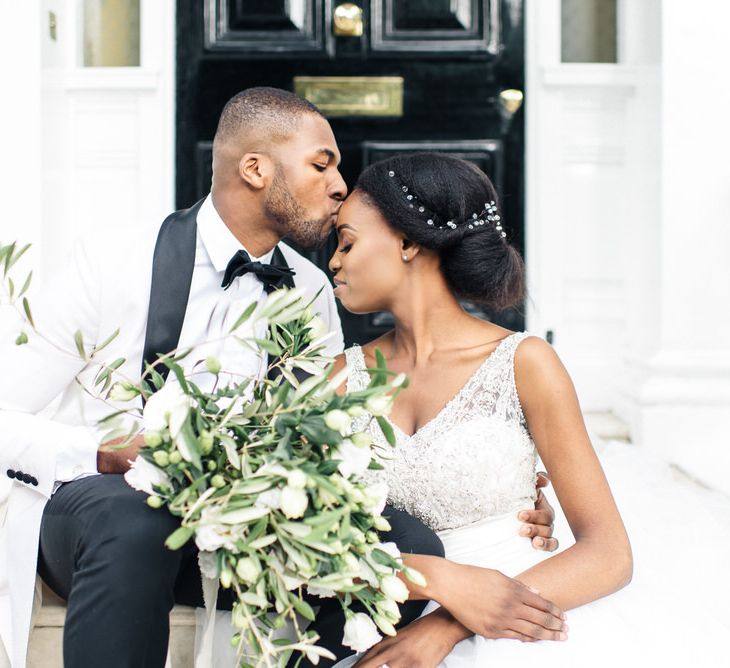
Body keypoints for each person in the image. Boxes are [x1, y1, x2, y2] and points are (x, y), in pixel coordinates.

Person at [0, 89, 555, 668]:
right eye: (323, 164)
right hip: (96, 520)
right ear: (256, 169)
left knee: (408, 544)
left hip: (239, 526)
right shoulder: (113, 261)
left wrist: (502, 493)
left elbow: (329, 440)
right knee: (135, 518)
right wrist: (103, 453)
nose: (342, 185)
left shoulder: (314, 291)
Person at [326, 152, 634, 667]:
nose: (334, 261)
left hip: (515, 612)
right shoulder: (335, 378)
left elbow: (609, 553)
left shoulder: (524, 363)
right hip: (377, 619)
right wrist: (433, 585)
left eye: (347, 242)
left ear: (407, 242)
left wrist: (452, 623)